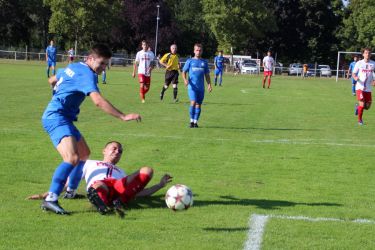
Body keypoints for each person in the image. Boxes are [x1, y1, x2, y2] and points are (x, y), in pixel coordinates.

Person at [41, 44, 142, 215]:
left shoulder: (74, 66)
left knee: (84, 154)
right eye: (101, 63)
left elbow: (52, 79)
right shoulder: (88, 75)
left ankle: (71, 191)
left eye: (106, 65)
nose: (103, 68)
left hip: (64, 118)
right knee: (72, 158)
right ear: (90, 59)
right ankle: (50, 198)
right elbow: (98, 101)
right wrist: (123, 116)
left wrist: (57, 93)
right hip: (56, 117)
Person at [29, 141, 172, 216]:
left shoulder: (121, 172)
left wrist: (160, 185)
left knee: (147, 170)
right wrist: (45, 195)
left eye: (120, 151)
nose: (117, 152)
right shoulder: (88, 163)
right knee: (98, 185)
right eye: (114, 148)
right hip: (100, 186)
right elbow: (67, 185)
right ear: (104, 150)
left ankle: (118, 201)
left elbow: (139, 192)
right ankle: (102, 202)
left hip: (117, 187)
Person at [182, 43, 212, 128]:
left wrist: (209, 84)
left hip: (201, 88)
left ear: (202, 51)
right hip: (192, 87)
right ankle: (191, 121)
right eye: (197, 50)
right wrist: (185, 80)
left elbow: (207, 75)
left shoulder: (204, 62)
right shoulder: (190, 61)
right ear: (194, 51)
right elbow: (183, 71)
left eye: (200, 50)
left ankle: (195, 122)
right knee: (193, 102)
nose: (198, 52)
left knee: (198, 104)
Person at [352, 48, 375, 125]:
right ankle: (360, 121)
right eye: (366, 53)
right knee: (362, 104)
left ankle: (357, 108)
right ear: (363, 54)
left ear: (370, 54)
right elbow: (354, 73)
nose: (367, 54)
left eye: (369, 53)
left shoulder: (373, 63)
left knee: (367, 107)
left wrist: (374, 81)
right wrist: (355, 78)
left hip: (368, 88)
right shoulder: (359, 63)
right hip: (360, 87)